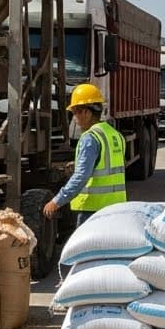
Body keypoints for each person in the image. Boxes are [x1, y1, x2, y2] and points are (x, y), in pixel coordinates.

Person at [44, 83, 126, 226]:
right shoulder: (115, 135)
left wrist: (56, 201)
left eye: (75, 112)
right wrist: (79, 163)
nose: (74, 118)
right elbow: (109, 164)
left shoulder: (90, 137)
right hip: (116, 207)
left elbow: (81, 176)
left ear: (87, 112)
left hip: (92, 209)